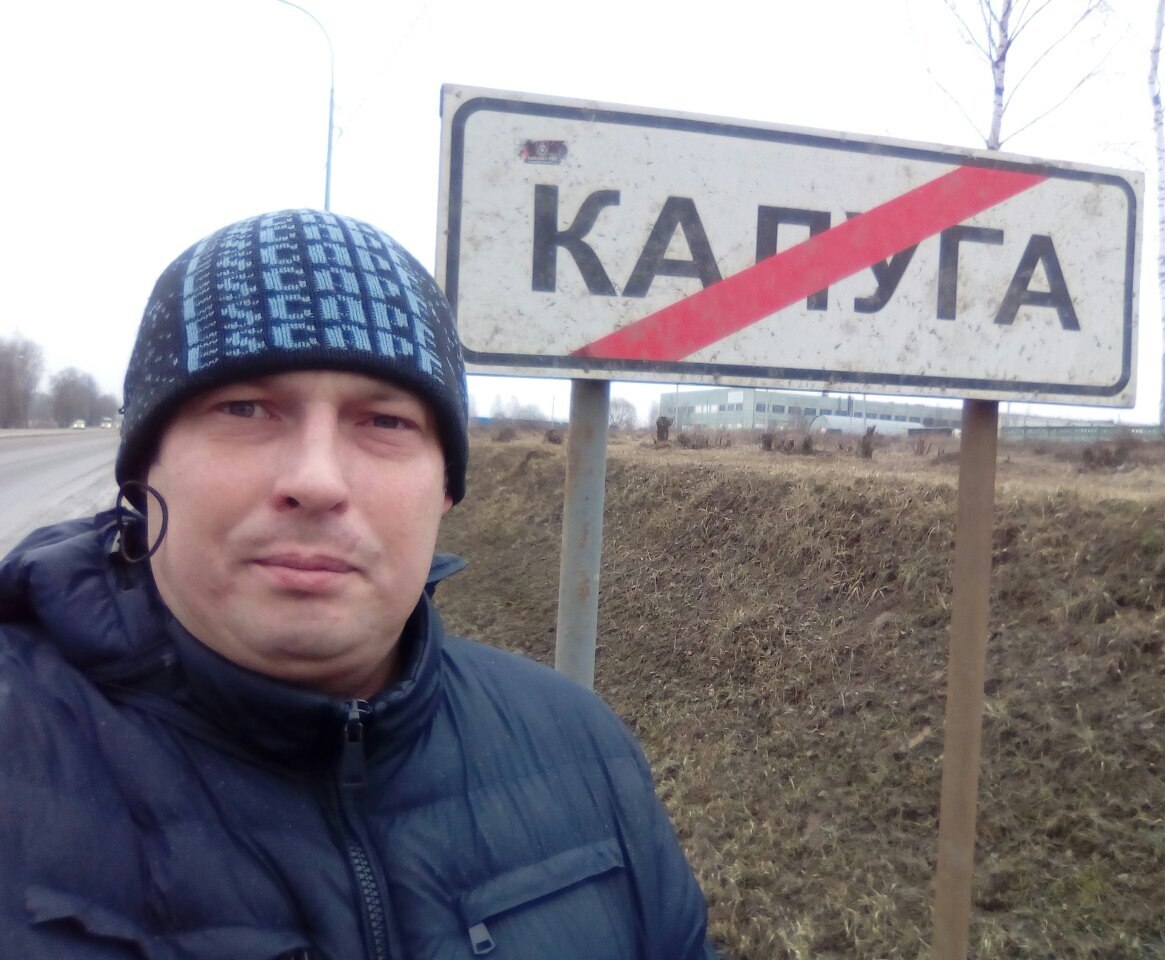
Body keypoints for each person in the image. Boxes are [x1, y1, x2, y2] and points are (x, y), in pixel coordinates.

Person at [0, 209, 716, 959]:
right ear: (145, 469)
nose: (316, 481)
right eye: (244, 408)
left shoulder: (585, 754)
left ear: (445, 488)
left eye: (384, 421)